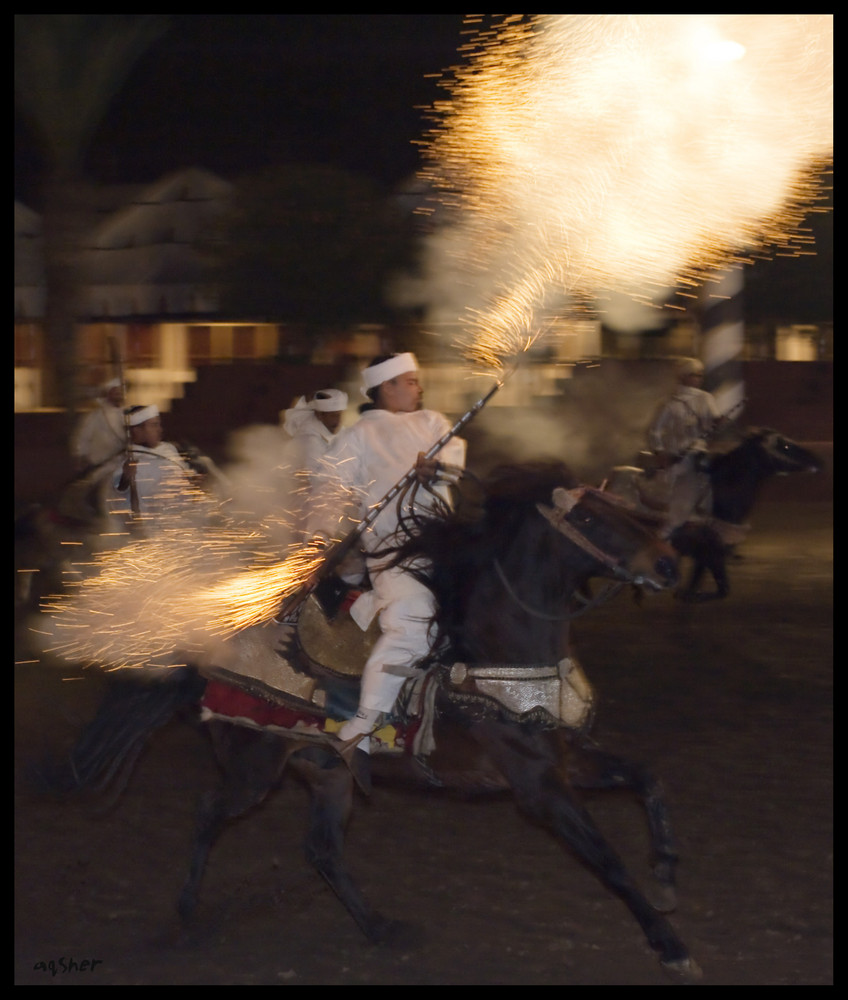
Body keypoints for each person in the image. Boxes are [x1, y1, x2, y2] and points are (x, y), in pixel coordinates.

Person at [305, 353, 466, 748]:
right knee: (413, 620)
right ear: (386, 387)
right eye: (410, 381)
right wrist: (320, 538)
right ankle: (363, 724)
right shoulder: (356, 436)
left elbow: (453, 460)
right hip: (393, 553)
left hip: (445, 545)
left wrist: (436, 470)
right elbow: (329, 489)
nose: (418, 388)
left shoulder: (432, 422)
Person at [646, 357, 723, 535]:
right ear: (683, 377)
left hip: (698, 455)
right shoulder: (670, 403)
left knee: (705, 493)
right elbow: (655, 431)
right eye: (694, 375)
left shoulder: (706, 398)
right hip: (676, 457)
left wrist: (717, 423)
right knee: (673, 496)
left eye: (700, 375)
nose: (699, 378)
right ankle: (668, 530)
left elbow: (714, 421)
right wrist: (659, 452)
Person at [109, 404, 199, 526]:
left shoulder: (168, 449)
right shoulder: (126, 460)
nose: (160, 430)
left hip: (183, 522)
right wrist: (125, 478)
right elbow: (117, 494)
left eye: (159, 424)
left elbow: (187, 477)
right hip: (152, 528)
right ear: (137, 430)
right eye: (154, 425)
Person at [282, 388, 349, 480]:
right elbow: (315, 478)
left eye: (339, 415)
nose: (338, 421)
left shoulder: (337, 429)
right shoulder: (309, 439)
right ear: (319, 415)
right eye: (333, 416)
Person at [70, 378, 127, 473]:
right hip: (100, 465)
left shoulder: (127, 415)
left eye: (119, 391)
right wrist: (80, 457)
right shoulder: (95, 416)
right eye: (115, 391)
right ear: (108, 394)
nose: (118, 394)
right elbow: (83, 437)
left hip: (122, 466)